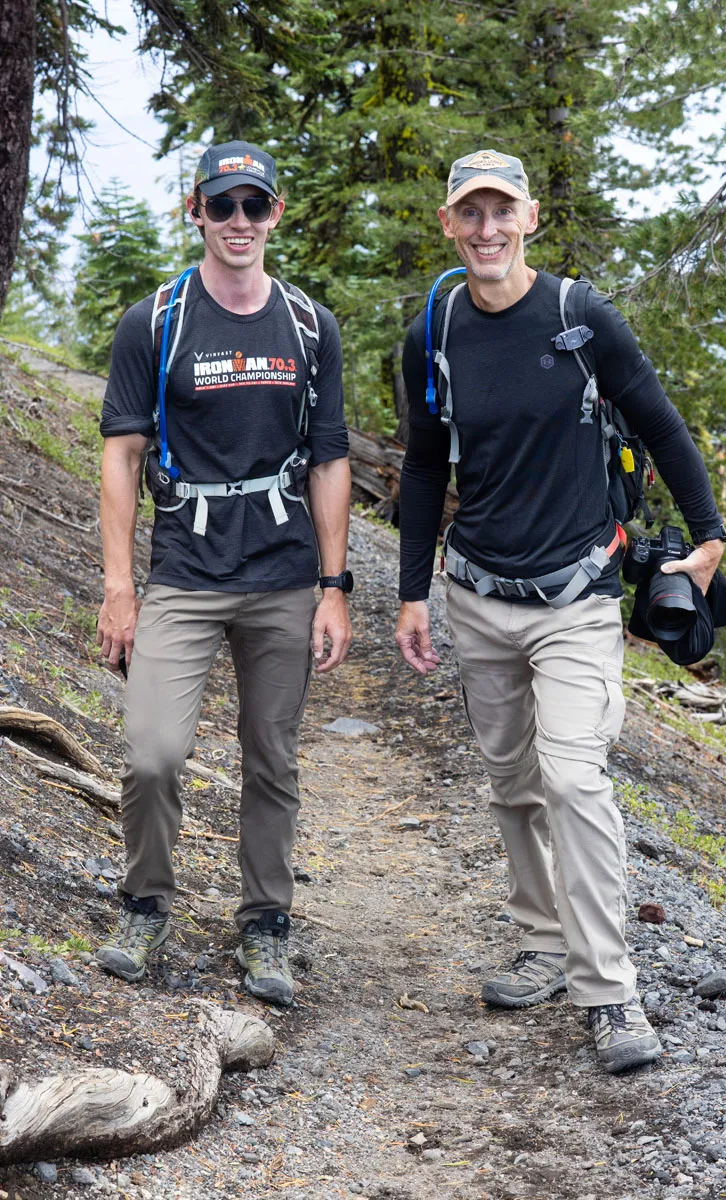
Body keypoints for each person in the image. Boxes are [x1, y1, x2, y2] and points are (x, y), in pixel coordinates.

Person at [395, 149, 726, 1073]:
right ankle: (543, 941)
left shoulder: (581, 318)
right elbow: (426, 467)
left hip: (578, 598)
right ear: (449, 224)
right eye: (471, 214)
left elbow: (658, 420)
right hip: (477, 596)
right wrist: (412, 591)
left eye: (503, 212)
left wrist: (710, 537)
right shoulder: (432, 332)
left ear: (530, 219)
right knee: (511, 783)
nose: (487, 230)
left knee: (574, 779)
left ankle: (610, 991)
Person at [95, 141, 352, 1005]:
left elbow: (327, 458)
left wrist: (334, 586)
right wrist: (121, 587)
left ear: (277, 212)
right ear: (197, 212)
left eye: (254, 205)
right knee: (155, 752)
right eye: (222, 205)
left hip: (282, 577)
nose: (238, 222)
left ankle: (266, 925)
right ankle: (145, 902)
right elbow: (122, 456)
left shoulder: (310, 327)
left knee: (271, 755)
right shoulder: (157, 321)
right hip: (185, 575)